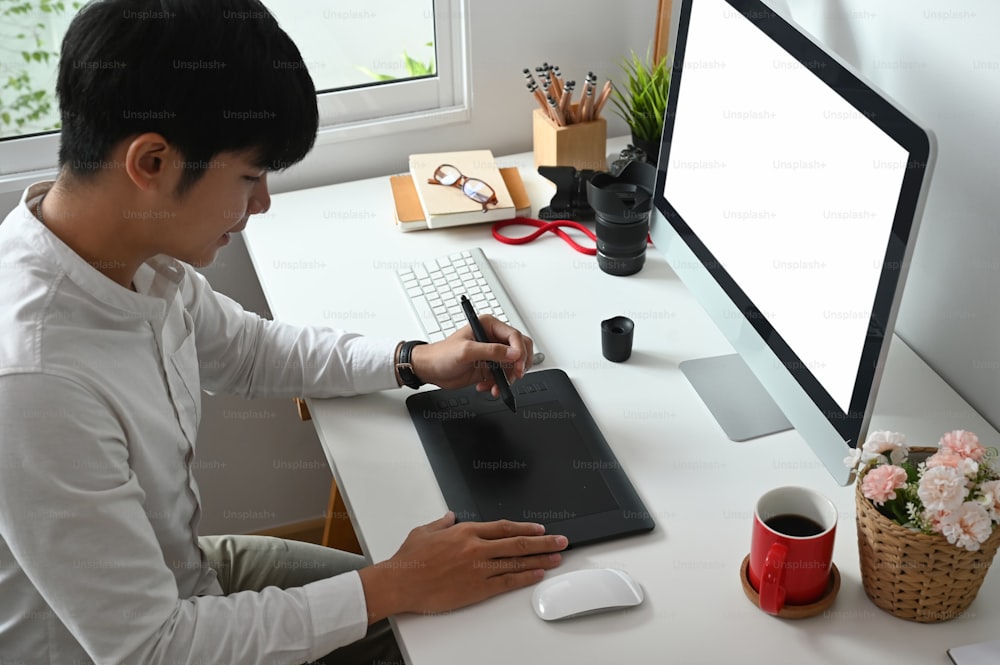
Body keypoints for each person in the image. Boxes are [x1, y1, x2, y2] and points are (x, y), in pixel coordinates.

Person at [0, 1, 568, 663]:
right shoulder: (36, 378)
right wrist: (395, 582)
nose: (262, 203)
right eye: (249, 176)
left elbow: (248, 350)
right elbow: (151, 648)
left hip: (184, 578)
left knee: (456, 602)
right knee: (451, 631)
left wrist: (414, 359)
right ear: (150, 163)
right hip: (133, 643)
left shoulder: (132, 254)